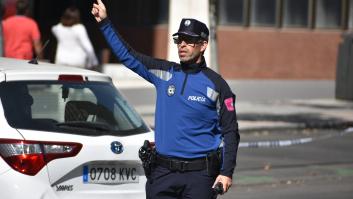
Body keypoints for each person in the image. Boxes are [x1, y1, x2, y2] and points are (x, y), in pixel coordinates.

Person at [92, 0, 240, 198]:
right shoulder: (164, 72)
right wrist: (105, 23)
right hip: (163, 174)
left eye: (189, 40)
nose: (182, 45)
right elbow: (128, 56)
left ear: (203, 45)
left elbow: (231, 132)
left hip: (200, 177)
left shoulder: (218, 85)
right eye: (179, 40)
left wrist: (225, 172)